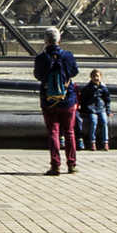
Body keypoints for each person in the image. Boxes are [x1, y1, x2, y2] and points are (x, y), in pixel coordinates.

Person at [33, 27, 80, 176]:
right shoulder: (68, 56)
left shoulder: (41, 58)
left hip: (48, 100)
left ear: (45, 41)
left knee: (53, 132)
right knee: (69, 132)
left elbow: (38, 76)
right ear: (59, 40)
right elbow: (74, 72)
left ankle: (55, 165)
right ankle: (71, 164)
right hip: (67, 99)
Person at [76, 68, 113, 151]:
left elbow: (107, 100)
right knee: (93, 121)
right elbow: (83, 100)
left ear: (101, 77)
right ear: (91, 77)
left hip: (101, 108)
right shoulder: (87, 88)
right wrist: (83, 110)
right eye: (94, 76)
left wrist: (108, 110)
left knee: (104, 121)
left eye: (97, 76)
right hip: (91, 109)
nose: (96, 78)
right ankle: (92, 142)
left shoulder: (103, 88)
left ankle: (105, 142)